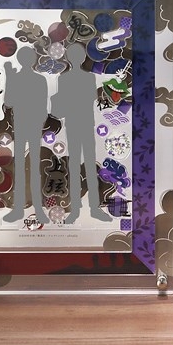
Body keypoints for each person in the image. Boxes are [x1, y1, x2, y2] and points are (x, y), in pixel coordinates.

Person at [51, 45, 111, 223]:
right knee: (83, 166)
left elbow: (62, 105)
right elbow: (89, 98)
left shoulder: (66, 78)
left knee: (78, 166)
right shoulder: (87, 77)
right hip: (81, 123)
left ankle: (82, 209)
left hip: (77, 123)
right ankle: (87, 209)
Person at [2, 47, 50, 224]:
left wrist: (9, 77)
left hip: (23, 125)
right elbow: (43, 108)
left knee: (23, 168)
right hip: (31, 125)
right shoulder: (40, 79)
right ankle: (34, 209)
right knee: (32, 168)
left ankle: (25, 209)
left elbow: (9, 102)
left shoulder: (18, 78)